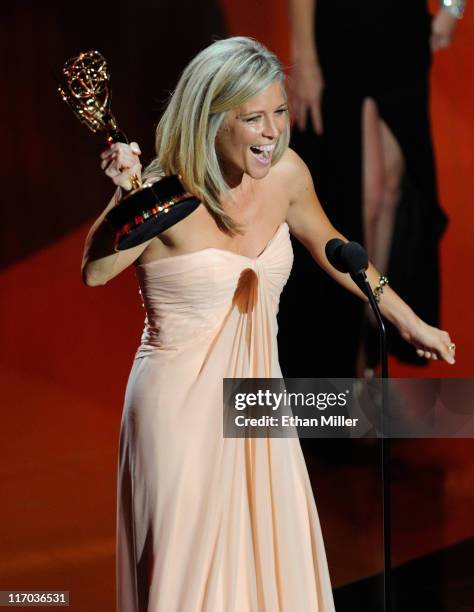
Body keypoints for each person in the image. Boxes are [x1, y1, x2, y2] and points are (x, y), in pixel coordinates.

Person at [81, 36, 456, 611]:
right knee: (190, 583)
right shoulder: (162, 191)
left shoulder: (284, 176)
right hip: (177, 414)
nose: (272, 132)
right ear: (212, 119)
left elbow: (335, 247)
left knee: (269, 577)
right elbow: (96, 273)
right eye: (252, 118)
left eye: (279, 112)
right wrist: (120, 201)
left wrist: (409, 320)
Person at [283, 0, 465, 376]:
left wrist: (452, 7)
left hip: (402, 34)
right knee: (363, 196)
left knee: (392, 193)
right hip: (342, 34)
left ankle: (372, 332)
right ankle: (352, 345)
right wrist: (304, 55)